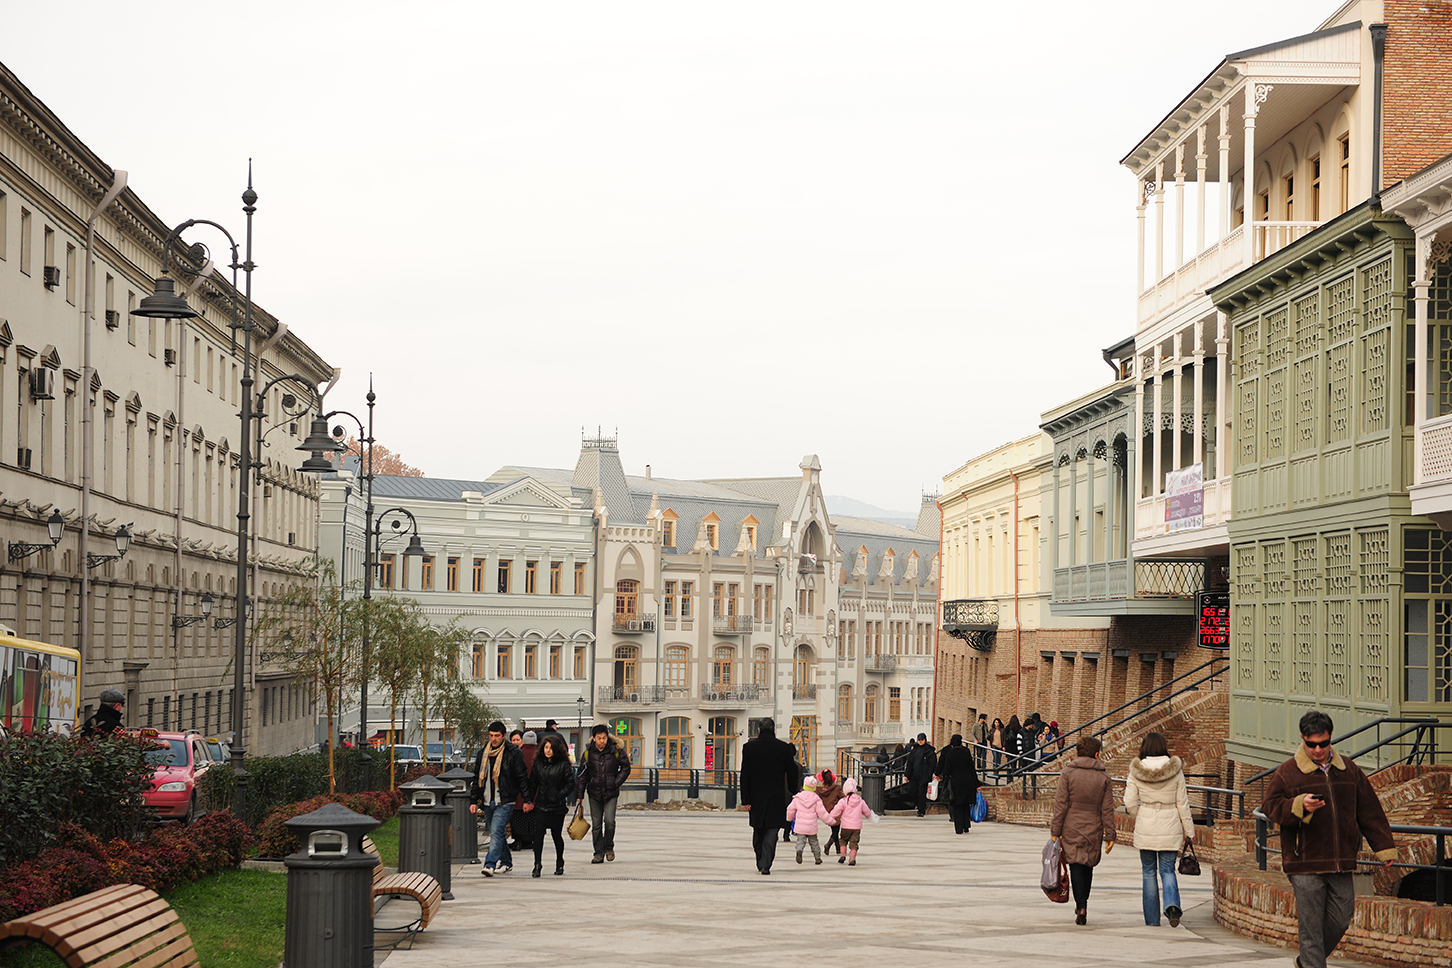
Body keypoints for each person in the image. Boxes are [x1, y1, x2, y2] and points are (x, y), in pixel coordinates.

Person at [1263, 710, 1398, 968]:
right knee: (1311, 928)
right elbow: (1270, 807)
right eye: (1311, 744)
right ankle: (1313, 962)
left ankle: (1307, 961)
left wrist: (1384, 848)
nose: (1317, 749)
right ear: (1302, 738)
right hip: (1304, 863)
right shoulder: (1287, 773)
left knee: (1341, 918)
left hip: (1341, 861)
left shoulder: (1349, 770)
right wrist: (1298, 805)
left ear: (1330, 737)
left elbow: (1369, 809)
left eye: (1322, 743)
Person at [1123, 731, 1195, 927]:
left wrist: (1140, 813)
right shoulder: (1175, 770)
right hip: (1170, 820)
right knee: (1167, 870)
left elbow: (1129, 802)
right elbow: (1183, 803)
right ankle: (1172, 905)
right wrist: (1189, 830)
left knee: (1148, 872)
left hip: (1146, 820)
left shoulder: (1136, 771)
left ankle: (1152, 920)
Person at [1049, 736, 1115, 925]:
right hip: (1094, 825)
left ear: (1077, 753)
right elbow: (1107, 809)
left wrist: (1056, 829)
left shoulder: (1068, 773)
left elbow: (1061, 804)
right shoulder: (1104, 777)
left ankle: (1081, 905)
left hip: (1072, 825)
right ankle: (1083, 902)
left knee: (1076, 864)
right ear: (1096, 754)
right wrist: (1110, 835)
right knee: (1088, 865)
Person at [739, 718, 801, 875]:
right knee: (772, 832)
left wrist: (745, 799)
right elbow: (792, 771)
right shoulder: (783, 748)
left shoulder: (749, 748)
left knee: (758, 830)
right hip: (776, 797)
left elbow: (744, 775)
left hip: (756, 798)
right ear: (774, 729)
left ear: (759, 729)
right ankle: (766, 863)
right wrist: (793, 790)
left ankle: (761, 860)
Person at [470, 721, 528, 876]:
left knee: (495, 832)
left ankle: (489, 864)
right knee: (499, 834)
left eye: (497, 736)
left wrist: (527, 800)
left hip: (505, 800)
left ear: (504, 736)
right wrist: (473, 800)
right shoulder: (484, 753)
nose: (493, 739)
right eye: (491, 735)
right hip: (488, 800)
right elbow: (477, 778)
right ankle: (507, 862)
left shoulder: (513, 753)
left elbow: (522, 777)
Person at [575, 724, 631, 864]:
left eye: (604, 738)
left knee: (610, 822)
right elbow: (582, 775)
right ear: (594, 738)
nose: (602, 741)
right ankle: (598, 852)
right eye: (599, 738)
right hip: (594, 792)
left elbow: (626, 767)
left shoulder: (616, 750)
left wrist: (615, 782)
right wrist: (579, 794)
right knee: (596, 825)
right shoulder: (588, 753)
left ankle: (609, 847)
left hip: (611, 792)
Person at [523, 735, 573, 877]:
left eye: (551, 748)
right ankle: (537, 864)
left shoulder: (563, 765)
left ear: (556, 749)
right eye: (546, 747)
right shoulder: (538, 764)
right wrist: (529, 800)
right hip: (541, 805)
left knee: (556, 835)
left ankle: (559, 862)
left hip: (557, 806)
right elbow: (533, 783)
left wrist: (559, 794)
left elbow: (570, 784)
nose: (548, 750)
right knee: (538, 835)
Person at [935, 733, 979, 834]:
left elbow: (947, 771)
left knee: (957, 805)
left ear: (952, 745)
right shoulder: (966, 752)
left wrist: (942, 776)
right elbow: (972, 768)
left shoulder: (950, 754)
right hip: (968, 780)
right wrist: (977, 784)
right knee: (966, 804)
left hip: (956, 782)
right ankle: (966, 825)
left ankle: (959, 828)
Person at [827, 776, 874, 866]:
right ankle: (852, 858)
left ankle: (843, 855)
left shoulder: (843, 801)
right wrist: (870, 817)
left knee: (843, 840)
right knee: (854, 843)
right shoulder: (860, 801)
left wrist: (829, 817)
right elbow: (867, 812)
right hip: (856, 827)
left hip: (845, 826)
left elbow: (836, 811)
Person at [786, 776, 833, 865]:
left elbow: (790, 809)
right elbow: (822, 813)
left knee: (800, 841)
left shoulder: (798, 798)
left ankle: (799, 851)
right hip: (811, 825)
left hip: (801, 825)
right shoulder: (816, 799)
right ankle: (817, 857)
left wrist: (789, 819)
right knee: (814, 842)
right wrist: (830, 821)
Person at [510, 730, 541, 853]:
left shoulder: (518, 753)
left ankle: (518, 841)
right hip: (536, 793)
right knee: (533, 819)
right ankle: (531, 840)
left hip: (519, 793)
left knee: (518, 818)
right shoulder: (539, 754)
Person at [905, 733, 938, 816]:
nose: (920, 741)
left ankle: (921, 810)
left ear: (925, 740)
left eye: (922, 740)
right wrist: (907, 774)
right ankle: (920, 805)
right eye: (919, 740)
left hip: (923, 775)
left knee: (921, 793)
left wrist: (929, 774)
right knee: (911, 791)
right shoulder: (914, 750)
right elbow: (909, 763)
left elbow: (932, 764)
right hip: (913, 775)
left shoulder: (929, 751)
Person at [817, 769, 844, 856]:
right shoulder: (836, 788)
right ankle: (828, 845)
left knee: (834, 830)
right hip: (835, 811)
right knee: (836, 831)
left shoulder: (818, 789)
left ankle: (838, 849)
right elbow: (842, 798)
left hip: (825, 813)